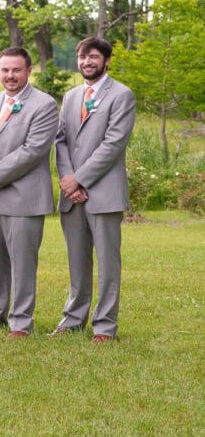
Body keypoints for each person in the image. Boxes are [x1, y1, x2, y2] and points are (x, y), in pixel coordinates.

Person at [0, 47, 59, 338]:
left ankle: (20, 322)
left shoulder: (44, 105)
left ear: (29, 71)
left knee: (22, 263)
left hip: (23, 198)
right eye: (4, 70)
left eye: (16, 70)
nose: (10, 76)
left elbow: (33, 151)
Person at [52, 37, 135, 343]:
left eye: (94, 57)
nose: (87, 62)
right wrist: (68, 179)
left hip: (104, 193)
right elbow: (60, 141)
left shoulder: (122, 95)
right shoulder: (72, 96)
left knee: (108, 264)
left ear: (107, 61)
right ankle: (73, 319)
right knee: (77, 261)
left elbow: (113, 144)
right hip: (71, 194)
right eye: (83, 57)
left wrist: (80, 179)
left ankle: (104, 326)